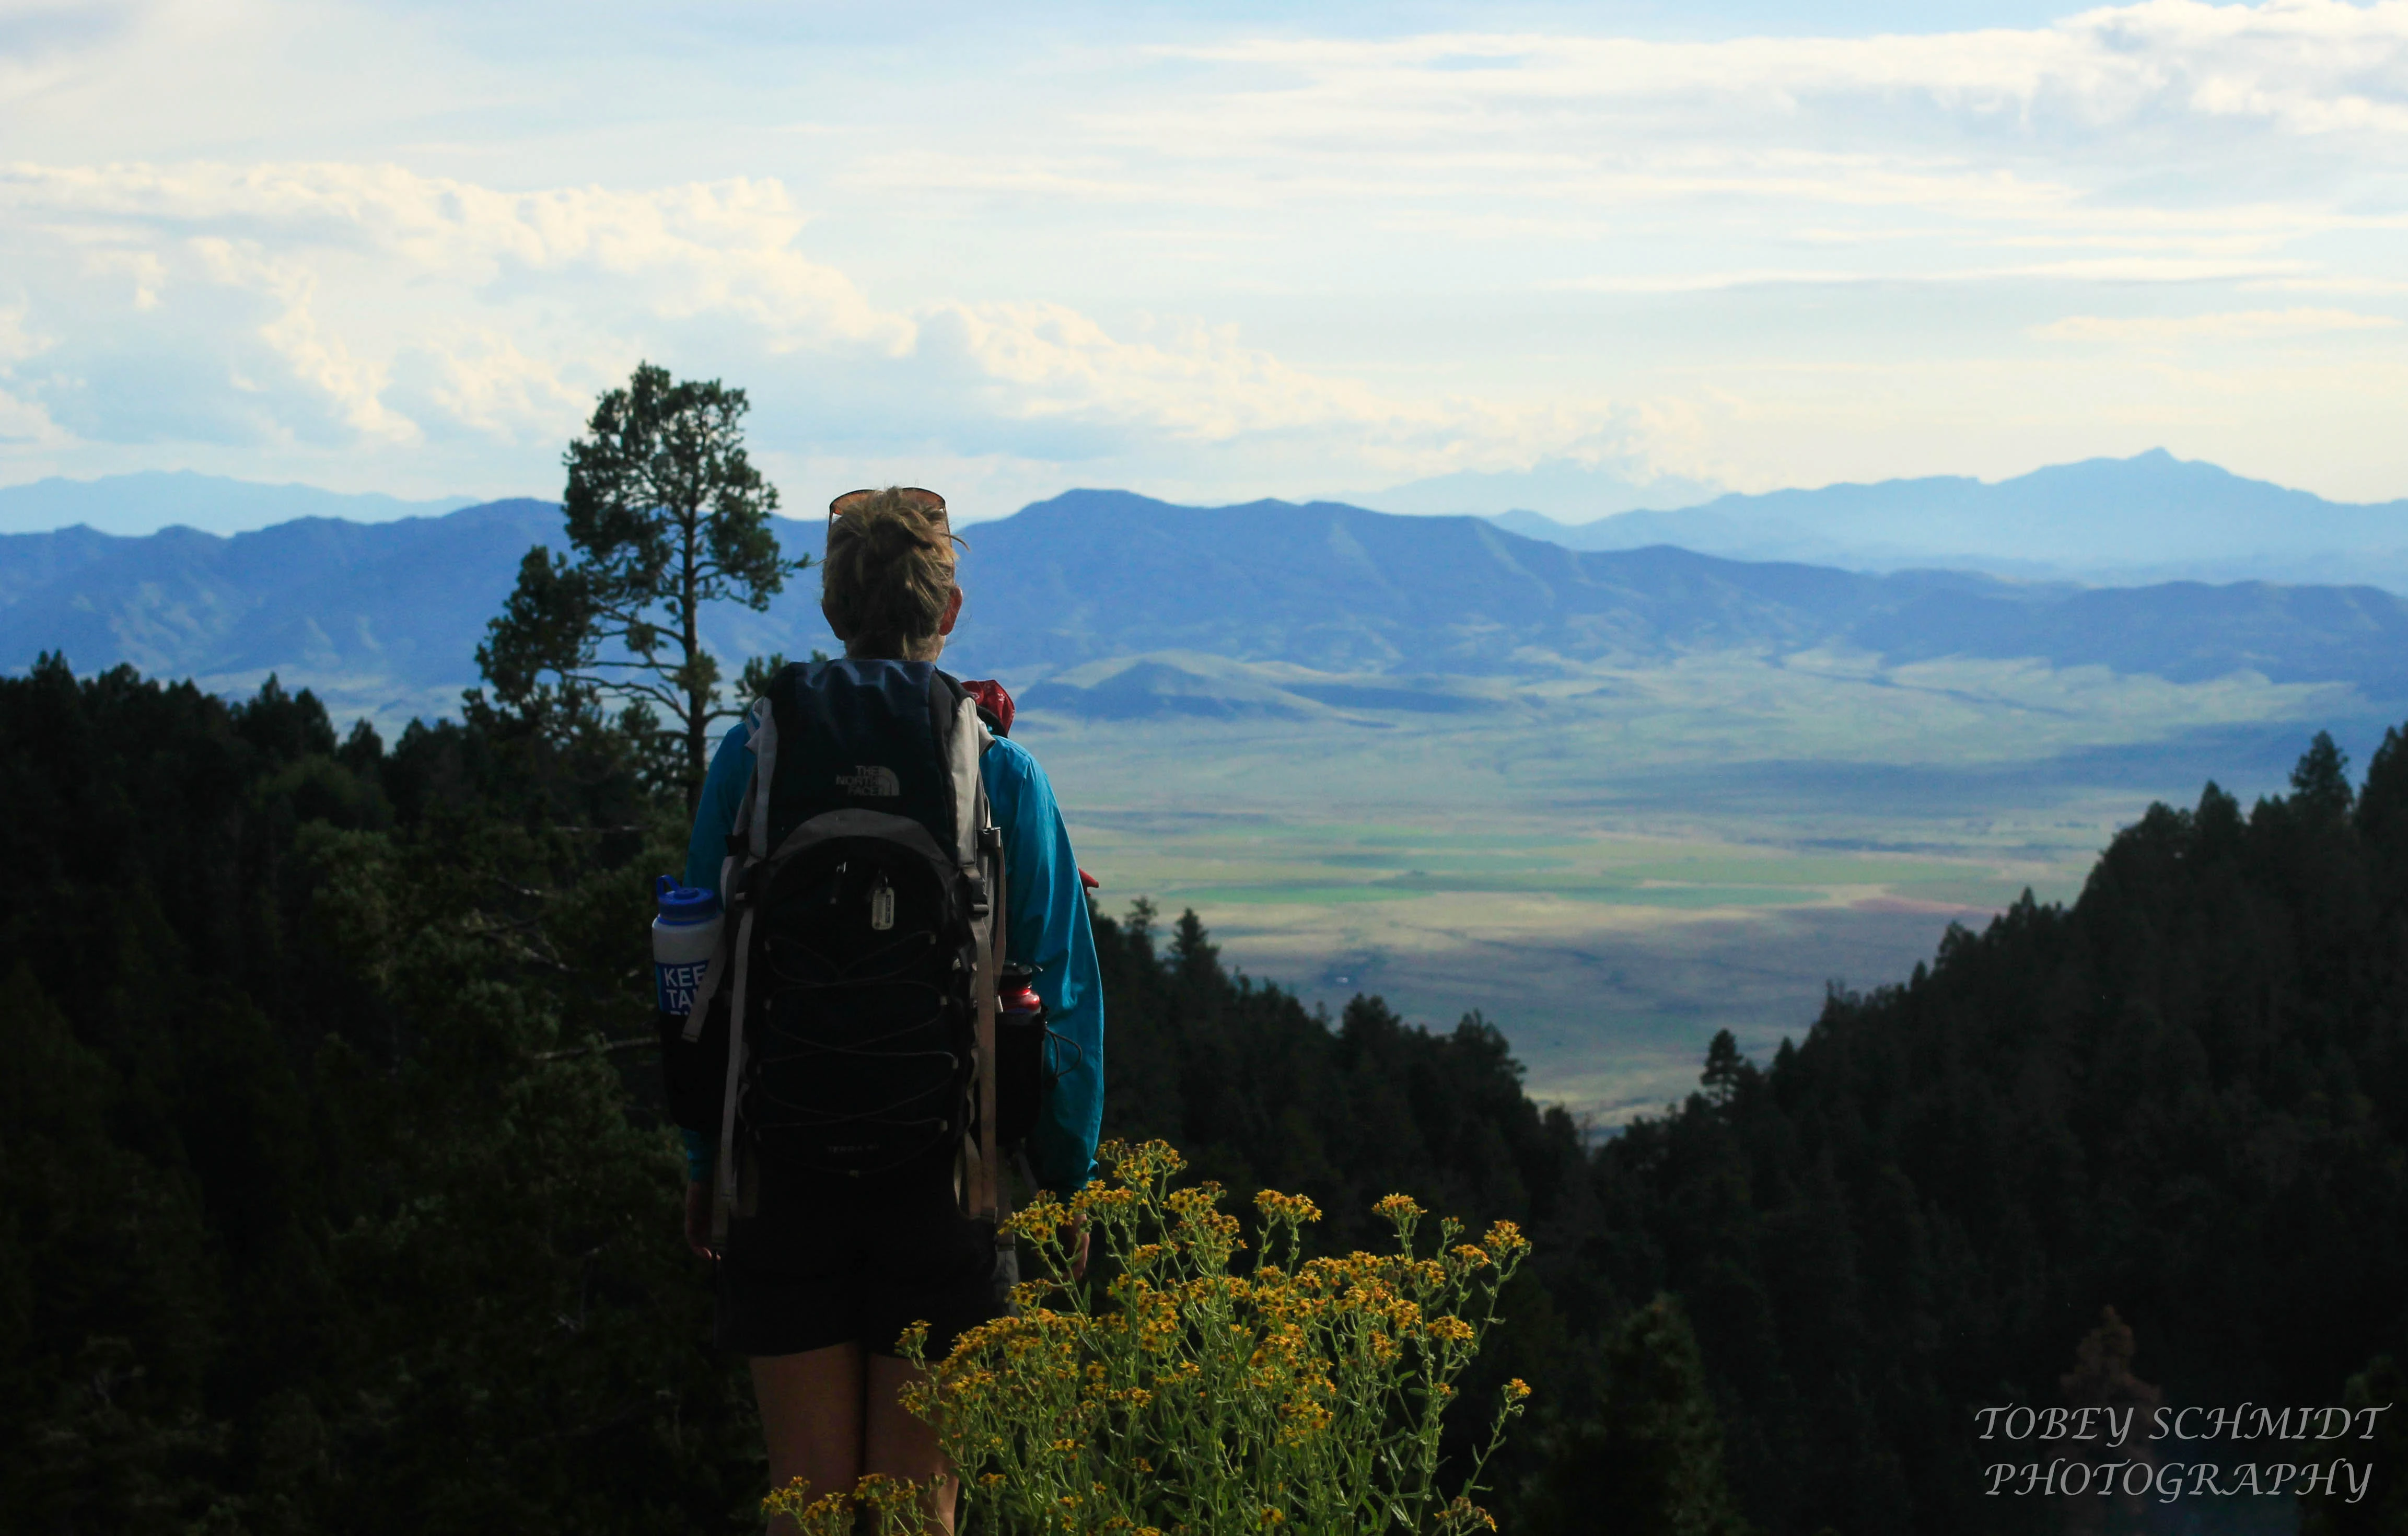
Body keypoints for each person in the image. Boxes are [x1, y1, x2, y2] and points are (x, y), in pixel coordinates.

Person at [677, 486, 1103, 1533]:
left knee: (807, 1497)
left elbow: (694, 971)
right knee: (920, 1506)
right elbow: (1064, 987)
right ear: (947, 612)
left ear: (831, 611)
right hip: (946, 1181)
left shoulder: (753, 757)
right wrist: (1069, 1171)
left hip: (783, 1169)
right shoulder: (998, 770)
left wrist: (703, 1163)